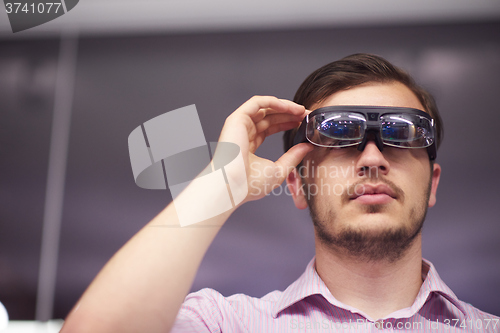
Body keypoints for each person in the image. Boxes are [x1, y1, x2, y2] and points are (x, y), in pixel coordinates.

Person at [60, 54, 499, 332]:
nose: (372, 158)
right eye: (339, 134)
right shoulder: (225, 324)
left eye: (400, 134)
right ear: (297, 185)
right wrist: (222, 183)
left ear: (433, 183)